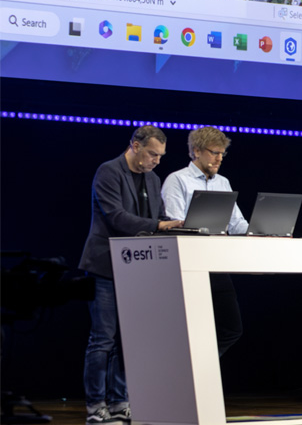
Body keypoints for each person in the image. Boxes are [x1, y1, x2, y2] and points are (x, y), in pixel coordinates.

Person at [79, 126, 184, 424]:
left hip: (138, 268)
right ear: (135, 146)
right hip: (105, 267)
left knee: (129, 340)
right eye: (152, 154)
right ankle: (95, 404)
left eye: (161, 156)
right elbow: (116, 217)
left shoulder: (152, 178)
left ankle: (119, 401)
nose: (156, 161)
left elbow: (158, 216)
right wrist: (160, 226)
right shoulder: (108, 172)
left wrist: (177, 224)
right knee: (102, 339)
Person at [160, 126, 246, 357]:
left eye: (222, 153)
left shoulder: (223, 182)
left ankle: (200, 369)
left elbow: (237, 223)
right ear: (196, 151)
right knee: (193, 330)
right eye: (214, 152)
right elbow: (174, 222)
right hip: (188, 265)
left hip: (216, 264)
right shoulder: (177, 180)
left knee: (231, 328)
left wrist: (261, 232)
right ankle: (184, 376)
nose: (219, 158)